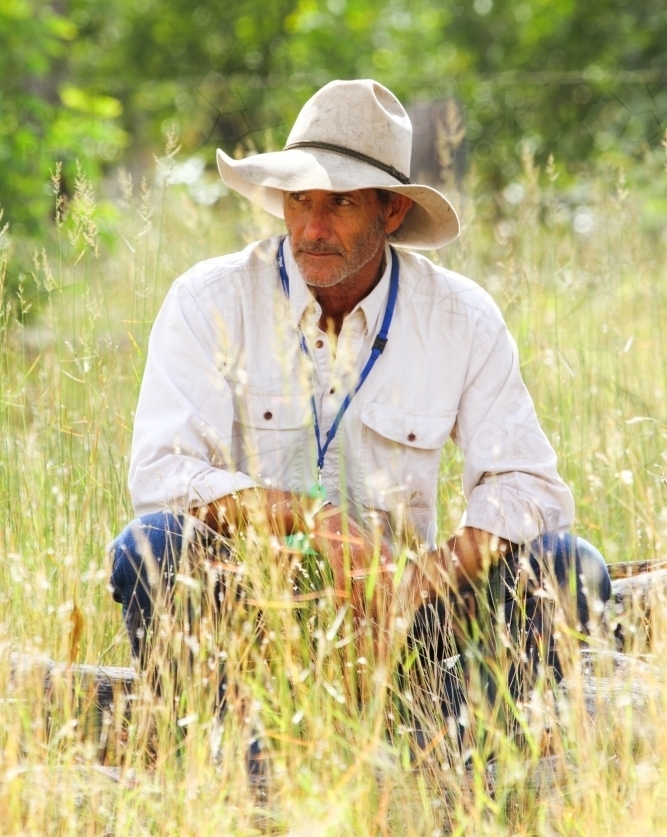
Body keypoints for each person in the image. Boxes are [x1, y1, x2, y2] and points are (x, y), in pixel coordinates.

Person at [109, 79, 611, 735]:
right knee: (150, 546)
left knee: (569, 568)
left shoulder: (460, 316)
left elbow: (529, 486)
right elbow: (162, 475)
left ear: (393, 211)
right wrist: (310, 519)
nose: (311, 229)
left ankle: (466, 757)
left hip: (410, 612)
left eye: (339, 202)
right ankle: (230, 759)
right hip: (259, 599)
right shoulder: (210, 299)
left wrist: (426, 575)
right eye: (298, 200)